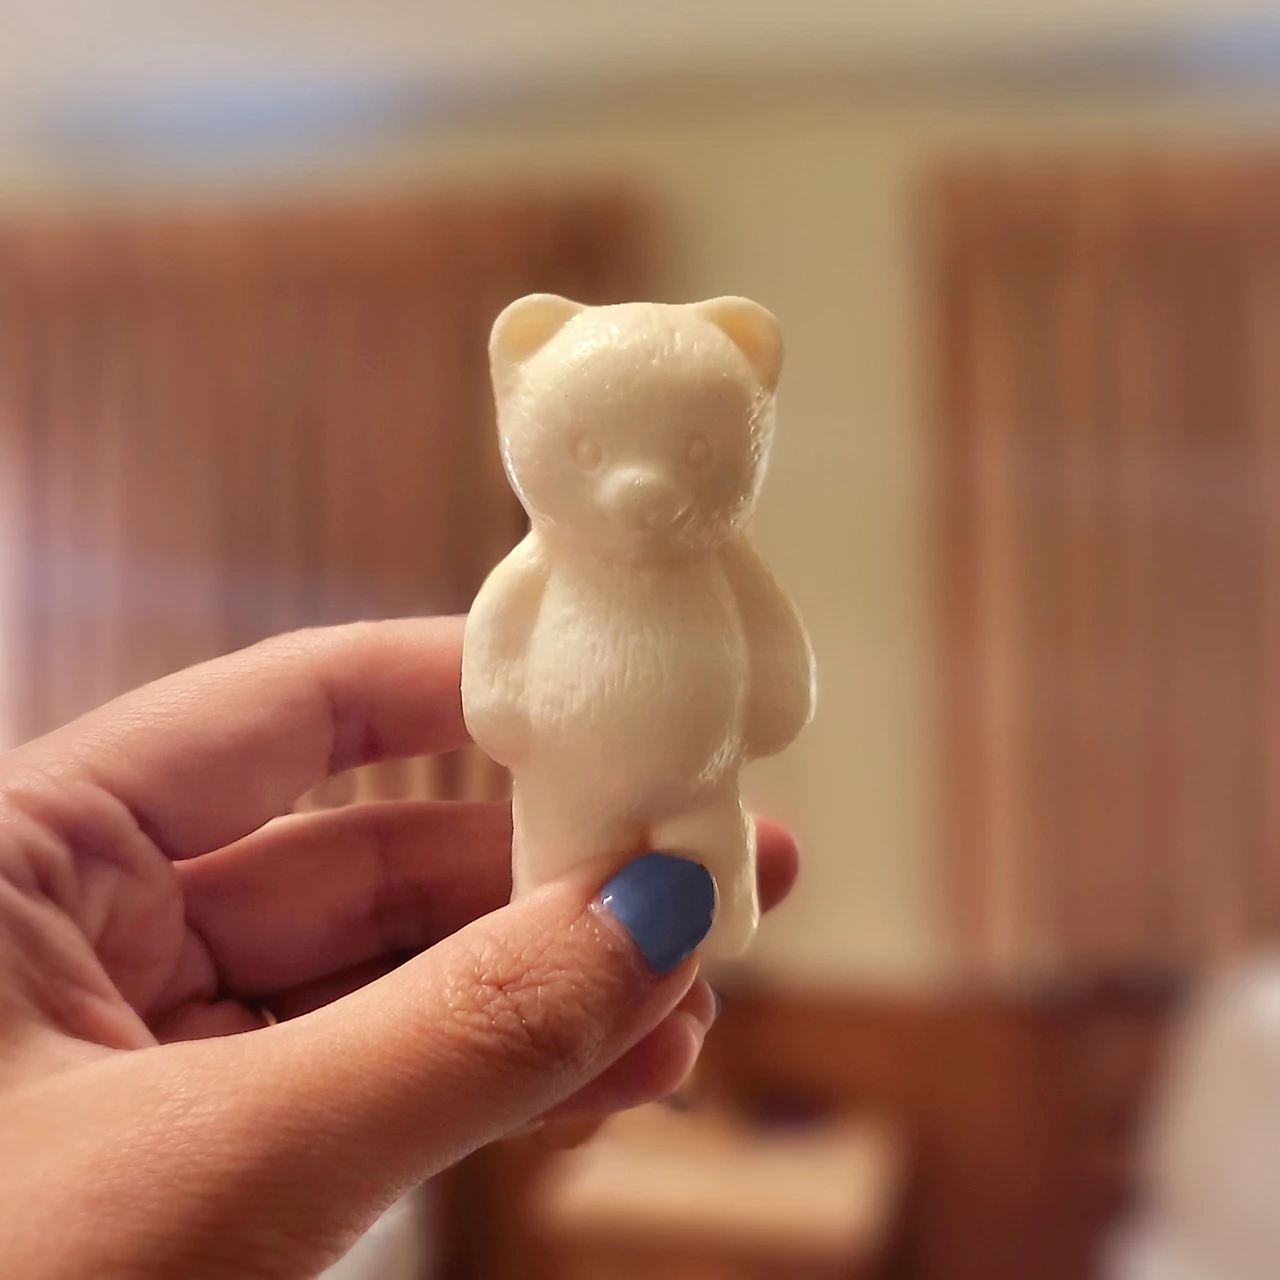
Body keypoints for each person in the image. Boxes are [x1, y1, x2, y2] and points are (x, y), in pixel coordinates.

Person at [0, 616, 799, 1278]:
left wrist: (770, 696)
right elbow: (497, 675)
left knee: (702, 859)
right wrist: (547, 983)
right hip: (571, 813)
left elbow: (778, 674)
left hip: (685, 790)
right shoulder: (549, 592)